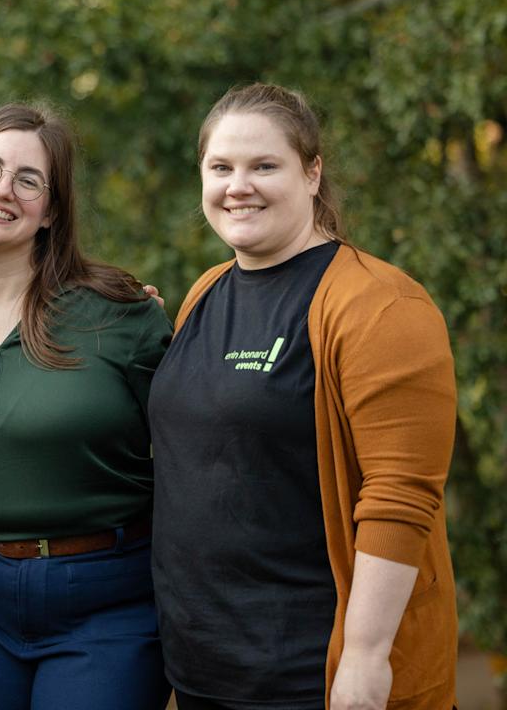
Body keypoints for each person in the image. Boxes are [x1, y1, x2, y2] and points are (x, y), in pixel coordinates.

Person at [149, 83, 458, 710]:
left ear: (312, 173)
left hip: (313, 674)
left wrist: (366, 659)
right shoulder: (205, 293)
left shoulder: (380, 306)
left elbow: (400, 495)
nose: (239, 185)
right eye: (221, 168)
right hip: (203, 667)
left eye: (265, 165)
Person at [0, 103, 173, 710]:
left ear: (51, 210)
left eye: (29, 180)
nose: (3, 190)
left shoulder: (120, 312)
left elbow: (206, 438)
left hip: (108, 598)